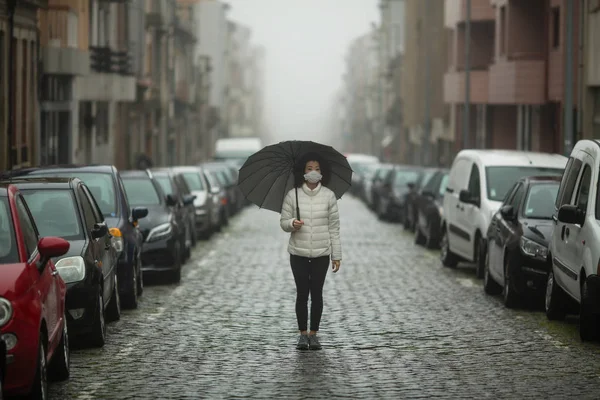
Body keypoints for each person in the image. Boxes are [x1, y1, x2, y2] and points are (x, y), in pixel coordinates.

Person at [280, 153, 342, 350]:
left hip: (321, 254)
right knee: (301, 294)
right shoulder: (293, 195)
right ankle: (302, 334)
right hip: (297, 253)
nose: (313, 172)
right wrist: (292, 224)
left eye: (316, 168)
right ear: (303, 172)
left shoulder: (329, 196)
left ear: (322, 172)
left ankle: (314, 334)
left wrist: (336, 255)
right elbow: (283, 222)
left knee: (317, 294)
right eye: (309, 168)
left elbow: (334, 227)